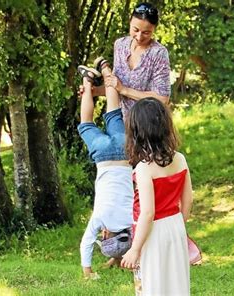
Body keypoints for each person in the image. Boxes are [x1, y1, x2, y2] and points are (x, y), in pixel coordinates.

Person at [120, 98, 193, 295]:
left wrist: (135, 249)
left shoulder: (144, 169)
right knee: (176, 283)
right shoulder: (180, 159)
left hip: (152, 233)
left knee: (153, 285)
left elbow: (148, 213)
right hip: (175, 225)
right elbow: (188, 200)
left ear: (137, 132)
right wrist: (179, 223)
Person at [77, 60, 134, 280]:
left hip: (124, 152)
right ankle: (88, 79)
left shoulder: (131, 222)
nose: (102, 233)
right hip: (102, 156)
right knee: (86, 123)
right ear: (108, 233)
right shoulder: (100, 218)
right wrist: (87, 272)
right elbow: (86, 244)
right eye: (105, 236)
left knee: (113, 113)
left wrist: (118, 257)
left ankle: (104, 68)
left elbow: (127, 241)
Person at [84, 2, 171, 120]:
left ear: (154, 29)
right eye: (135, 29)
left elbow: (162, 99)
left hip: (147, 126)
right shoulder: (120, 45)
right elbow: (115, 86)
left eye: (146, 33)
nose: (139, 37)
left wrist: (125, 90)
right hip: (120, 123)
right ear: (130, 22)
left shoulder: (158, 53)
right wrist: (94, 91)